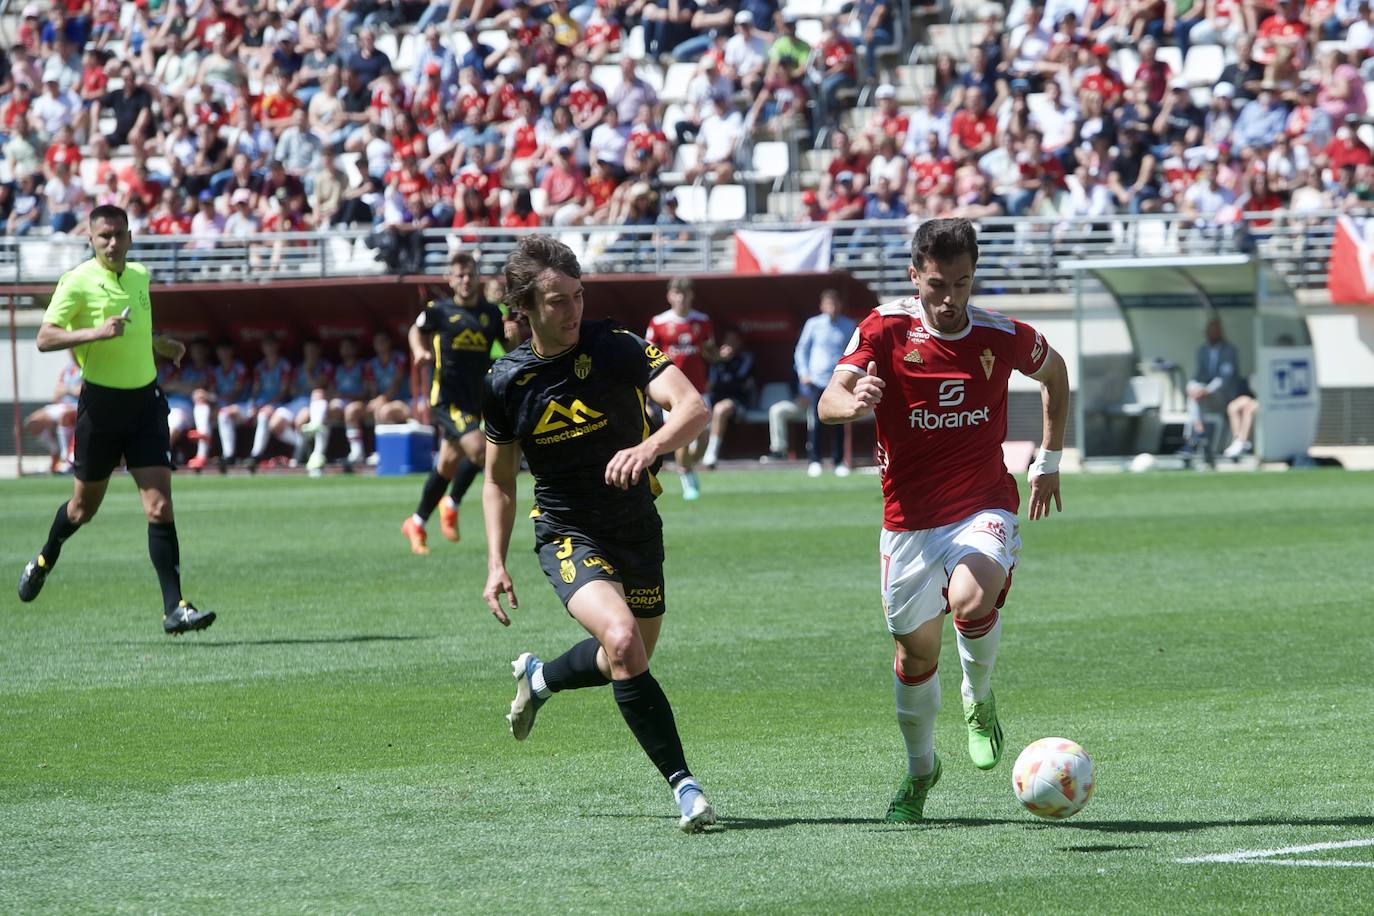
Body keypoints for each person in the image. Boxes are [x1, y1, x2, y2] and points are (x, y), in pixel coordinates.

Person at [817, 218, 1069, 822]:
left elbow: (1055, 375)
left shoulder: (1002, 335)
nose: (951, 299)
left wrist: (1049, 460)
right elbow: (829, 399)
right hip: (907, 523)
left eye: (961, 282)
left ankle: (978, 699)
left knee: (972, 597)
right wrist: (851, 404)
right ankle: (921, 769)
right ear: (914, 278)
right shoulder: (883, 328)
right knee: (914, 658)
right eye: (937, 285)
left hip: (982, 503)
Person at [481, 235, 716, 834]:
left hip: (637, 525)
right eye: (557, 301)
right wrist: (495, 562)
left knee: (625, 658)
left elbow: (693, 407)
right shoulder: (508, 382)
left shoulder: (618, 346)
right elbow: (500, 481)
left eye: (578, 296)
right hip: (565, 528)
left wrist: (650, 446)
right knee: (622, 640)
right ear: (525, 309)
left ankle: (540, 678)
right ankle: (686, 788)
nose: (573, 311)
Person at [17, 205, 215, 635]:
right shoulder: (77, 281)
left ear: (130, 237)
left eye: (118, 235)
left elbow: (138, 332)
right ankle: (45, 557)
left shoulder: (140, 276)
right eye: (103, 236)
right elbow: (45, 337)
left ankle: (175, 607)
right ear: (90, 239)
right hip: (101, 411)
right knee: (82, 509)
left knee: (160, 506)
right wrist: (94, 333)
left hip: (145, 405)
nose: (111, 243)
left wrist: (162, 346)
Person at [402, 251, 510, 554]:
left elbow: (511, 346)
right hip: (447, 399)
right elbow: (416, 329)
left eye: (470, 274)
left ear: (478, 277)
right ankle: (452, 503)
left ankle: (417, 521)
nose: (465, 280)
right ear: (451, 280)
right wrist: (419, 351)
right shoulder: (439, 310)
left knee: (447, 464)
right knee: (480, 450)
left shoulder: (490, 314)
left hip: (475, 400)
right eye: (460, 275)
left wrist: (515, 333)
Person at [645, 277, 718, 500]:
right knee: (683, 435)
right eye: (677, 293)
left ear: (691, 295)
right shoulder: (658, 322)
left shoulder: (702, 321)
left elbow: (709, 352)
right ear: (669, 296)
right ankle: (687, 480)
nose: (681, 297)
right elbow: (648, 356)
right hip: (673, 391)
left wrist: (719, 354)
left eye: (685, 293)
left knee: (704, 438)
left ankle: (687, 467)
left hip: (699, 388)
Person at [793, 289, 857, 477]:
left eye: (835, 303)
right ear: (822, 306)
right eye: (829, 303)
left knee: (839, 420)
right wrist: (803, 373)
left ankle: (838, 461)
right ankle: (814, 460)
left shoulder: (849, 325)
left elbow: (854, 352)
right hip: (816, 380)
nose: (833, 307)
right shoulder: (813, 324)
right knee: (817, 421)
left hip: (838, 381)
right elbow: (801, 350)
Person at [1179, 316, 1249, 460]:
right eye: (1209, 330)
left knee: (1197, 398)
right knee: (1193, 397)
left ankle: (1196, 438)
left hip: (1224, 396)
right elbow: (1197, 375)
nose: (1211, 333)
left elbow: (1225, 379)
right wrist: (1192, 387)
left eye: (1215, 330)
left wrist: (1207, 391)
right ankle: (1197, 436)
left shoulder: (1229, 351)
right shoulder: (1202, 351)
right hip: (1205, 397)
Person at [701, 329, 755, 469]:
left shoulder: (745, 358)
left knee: (720, 409)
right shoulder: (715, 362)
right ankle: (695, 452)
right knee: (698, 408)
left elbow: (738, 383)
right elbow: (710, 385)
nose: (730, 345)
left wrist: (726, 360)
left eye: (733, 341)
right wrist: (718, 360)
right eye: (727, 341)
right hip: (714, 400)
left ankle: (711, 454)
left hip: (739, 402)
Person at [25, 355, 82, 473]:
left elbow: (79, 392)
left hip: (78, 406)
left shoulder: (85, 369)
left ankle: (65, 457)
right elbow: (56, 394)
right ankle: (54, 449)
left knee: (64, 416)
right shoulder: (67, 370)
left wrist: (66, 390)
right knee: (32, 422)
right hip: (61, 405)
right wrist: (70, 390)